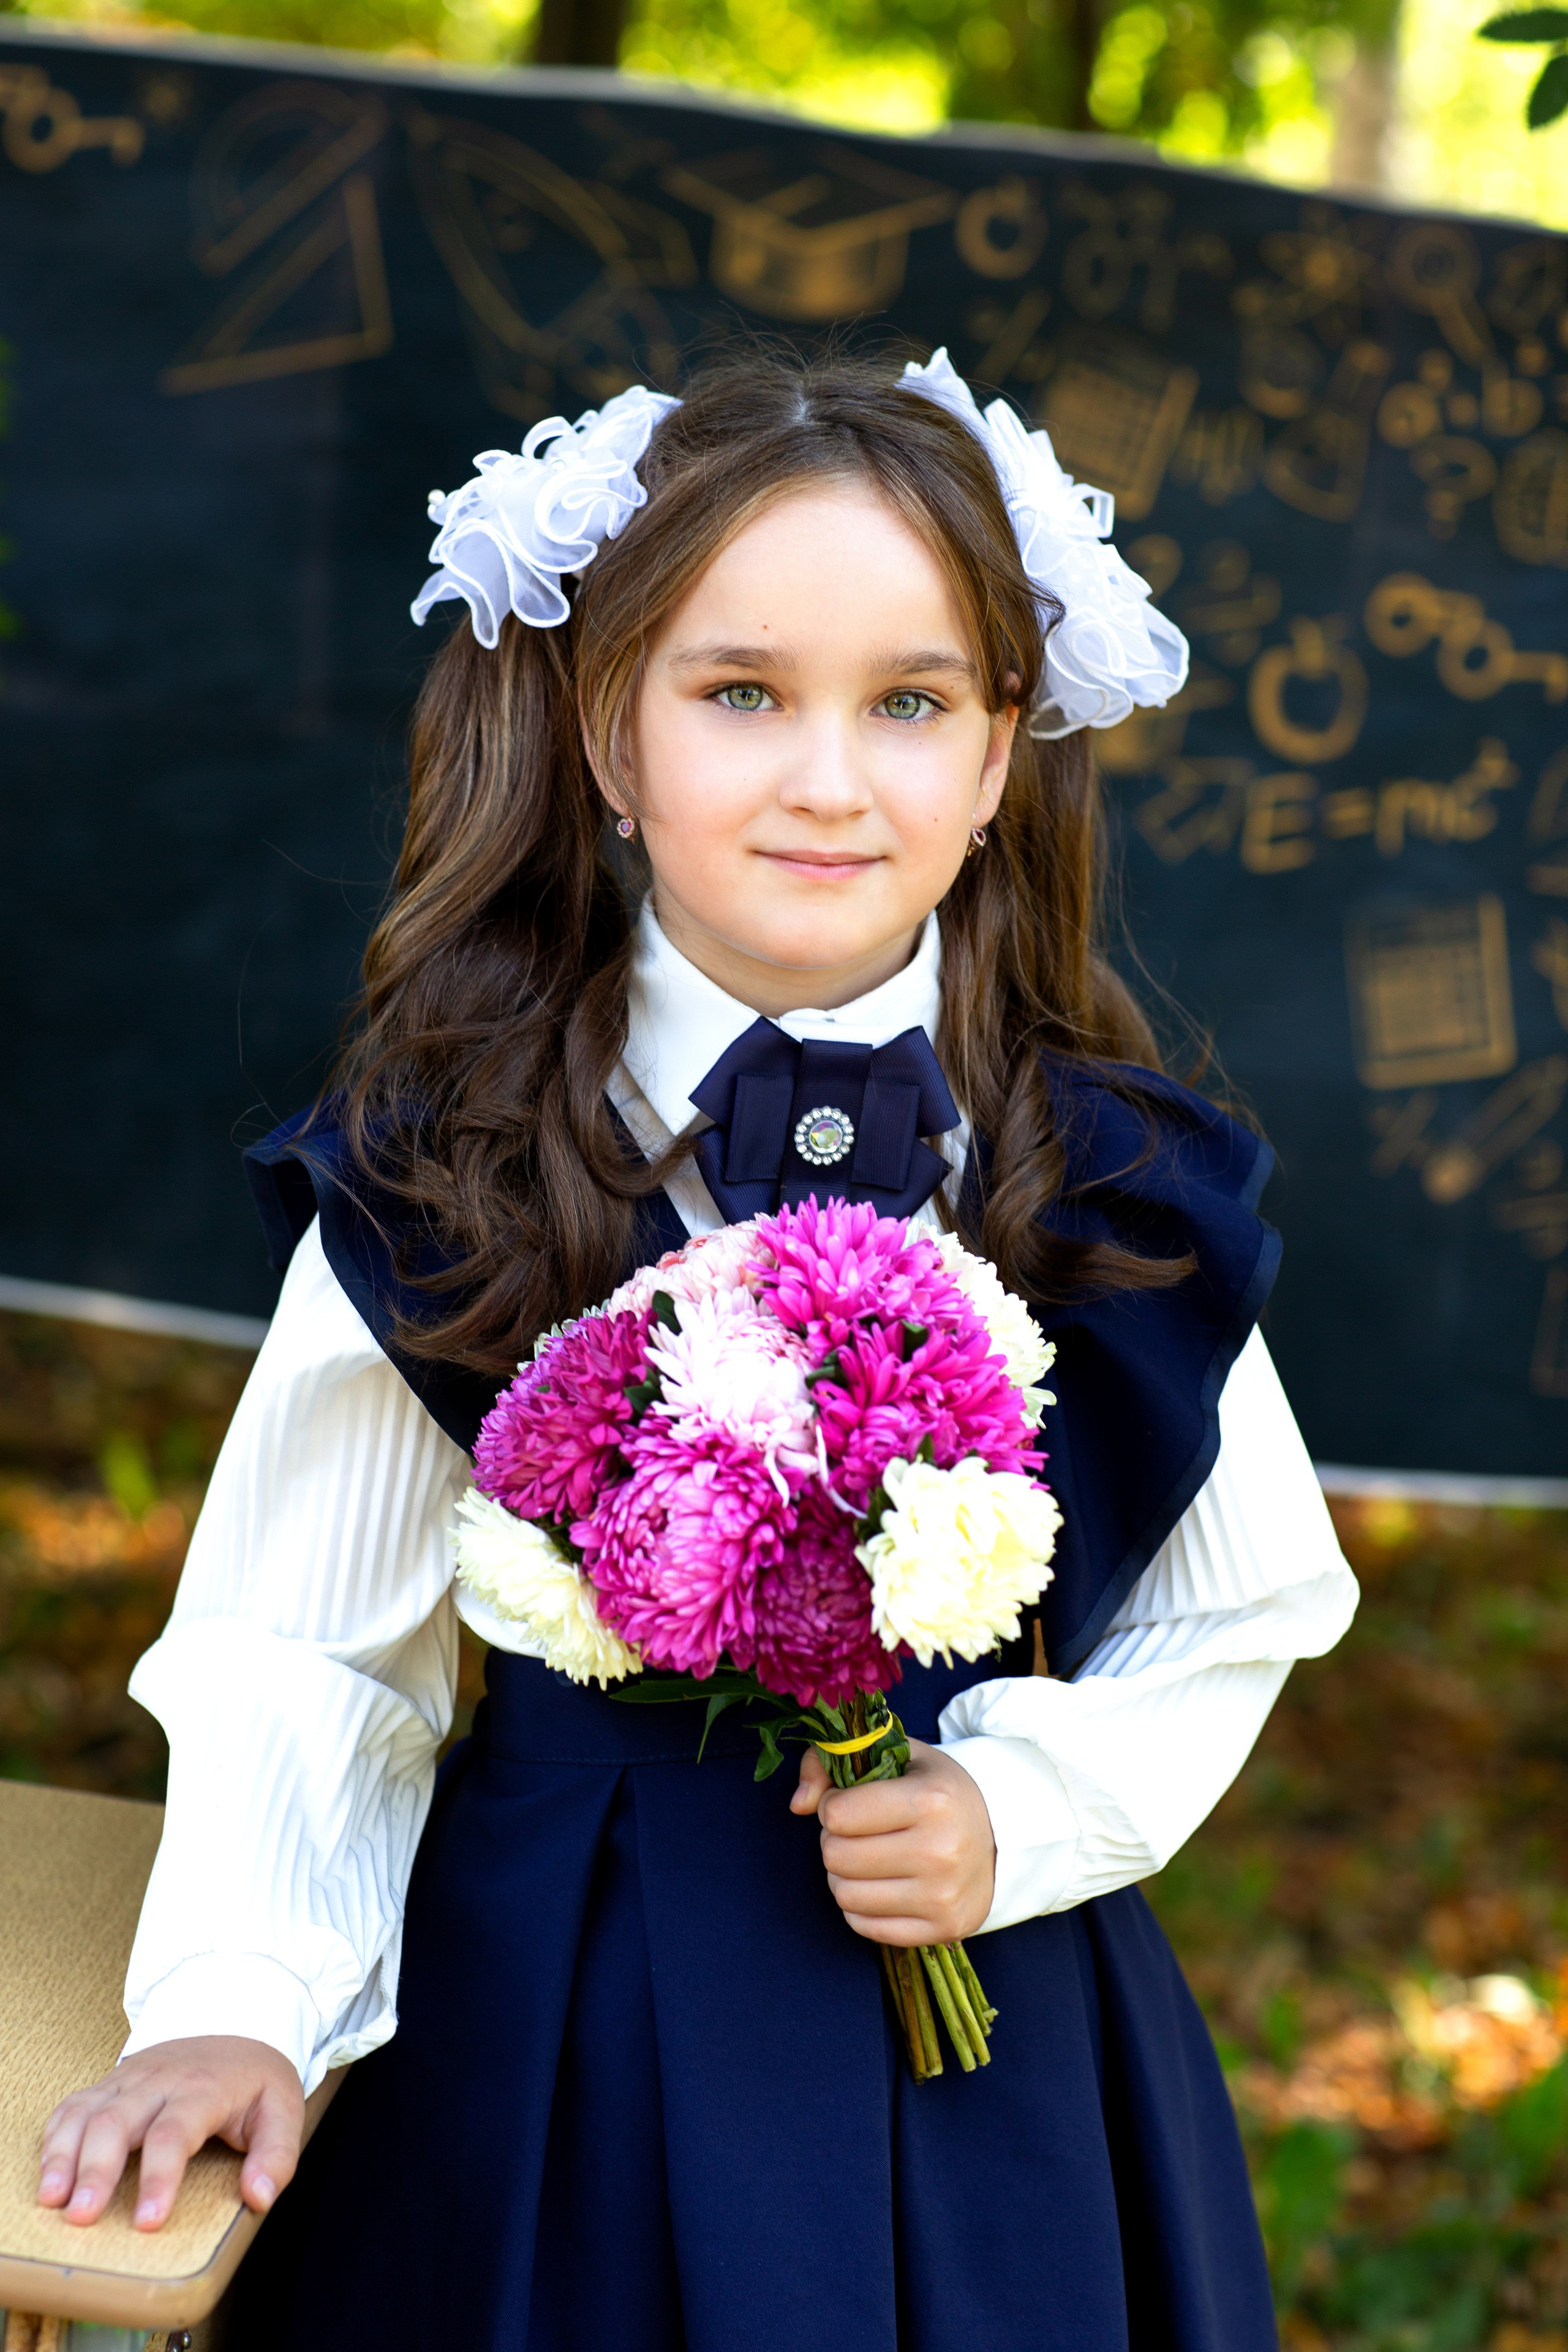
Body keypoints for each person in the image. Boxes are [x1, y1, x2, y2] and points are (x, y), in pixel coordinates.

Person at [36, 349, 1357, 2350]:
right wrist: (240, 1998)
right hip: (551, 2021)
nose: (831, 778)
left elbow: (1241, 1607)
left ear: (1004, 753)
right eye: (742, 693)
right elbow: (305, 1649)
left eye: (910, 703)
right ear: (608, 733)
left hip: (983, 2058)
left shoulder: (1109, 1183)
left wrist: (1025, 1806)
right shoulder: (450, 1166)